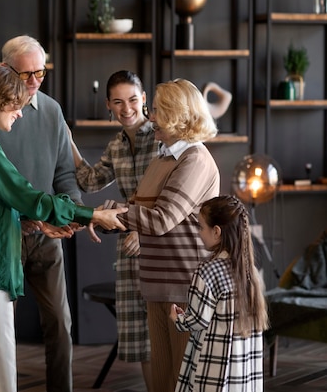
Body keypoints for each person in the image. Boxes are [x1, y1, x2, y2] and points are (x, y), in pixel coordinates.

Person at [0, 66, 126, 392]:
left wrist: (35, 222)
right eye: (16, 105)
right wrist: (93, 215)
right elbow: (30, 197)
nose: (19, 113)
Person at [108, 78, 221, 392]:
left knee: (183, 382)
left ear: (179, 115)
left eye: (157, 110)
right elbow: (138, 208)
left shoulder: (195, 160)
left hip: (185, 289)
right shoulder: (163, 158)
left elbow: (160, 220)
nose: (150, 116)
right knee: (161, 382)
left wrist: (114, 214)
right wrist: (106, 214)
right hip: (157, 287)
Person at [0, 35, 80, 392]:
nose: (33, 82)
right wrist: (19, 218)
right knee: (1, 330)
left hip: (46, 236)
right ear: (4, 70)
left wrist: (70, 214)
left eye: (40, 73)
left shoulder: (51, 110)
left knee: (60, 324)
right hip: (3, 237)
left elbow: (64, 174)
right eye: (25, 73)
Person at [69, 70, 157, 391]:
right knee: (145, 343)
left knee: (166, 335)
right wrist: (69, 141)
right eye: (118, 102)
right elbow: (89, 180)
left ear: (144, 99)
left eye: (133, 99)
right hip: (129, 253)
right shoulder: (117, 145)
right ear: (108, 104)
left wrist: (143, 230)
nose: (127, 108)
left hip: (161, 247)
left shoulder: (162, 138)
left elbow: (173, 194)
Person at [170, 194, 269, 392]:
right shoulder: (251, 273)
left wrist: (178, 318)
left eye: (201, 227)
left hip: (215, 365)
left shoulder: (207, 271)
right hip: (242, 368)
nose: (199, 233)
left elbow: (198, 320)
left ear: (216, 232)